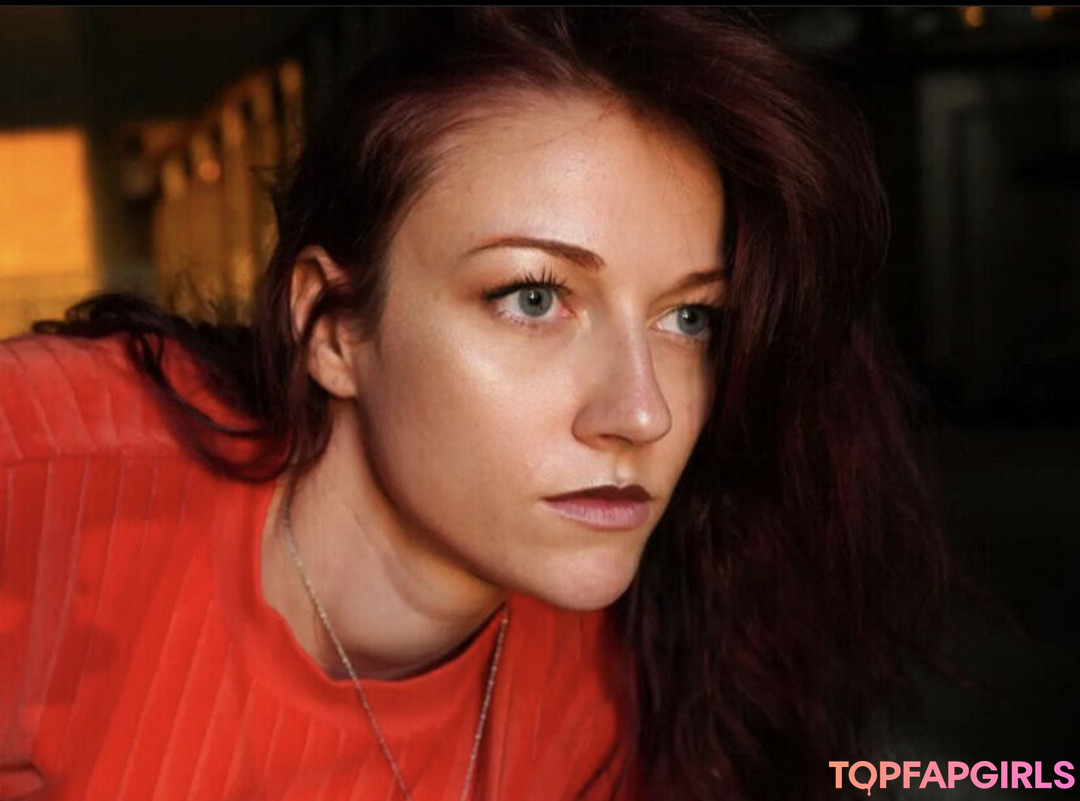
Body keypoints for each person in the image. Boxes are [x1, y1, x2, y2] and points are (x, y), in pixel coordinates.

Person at [0, 8, 950, 801]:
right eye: (533, 297)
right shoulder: (38, 467)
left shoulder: (636, 693)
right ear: (332, 327)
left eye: (690, 317)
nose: (642, 413)